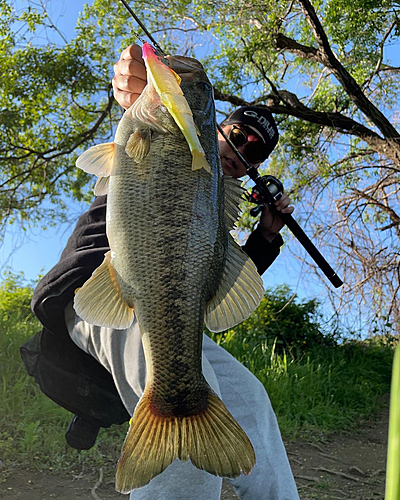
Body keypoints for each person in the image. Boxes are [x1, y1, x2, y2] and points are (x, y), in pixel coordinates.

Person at [23, 45, 299, 499]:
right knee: (185, 444)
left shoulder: (214, 198)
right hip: (100, 289)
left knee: (253, 403)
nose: (244, 148)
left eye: (256, 152)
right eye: (238, 133)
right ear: (213, 127)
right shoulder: (152, 136)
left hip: (167, 314)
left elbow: (215, 280)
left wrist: (266, 237)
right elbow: (136, 96)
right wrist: (136, 87)